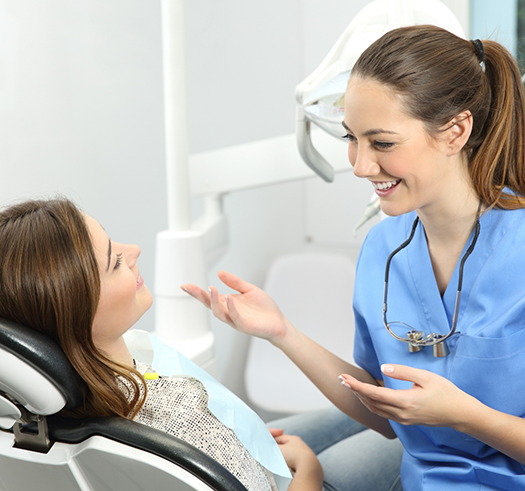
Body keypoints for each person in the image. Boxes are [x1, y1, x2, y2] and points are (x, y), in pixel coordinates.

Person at [182, 24, 525, 490]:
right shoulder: (384, 249)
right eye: (352, 138)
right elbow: (388, 414)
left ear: (455, 131)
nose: (361, 166)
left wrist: (467, 416)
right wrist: (282, 333)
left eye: (382, 143)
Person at [0, 198, 323, 491]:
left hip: (237, 448)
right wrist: (310, 469)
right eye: (115, 261)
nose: (134, 250)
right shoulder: (185, 416)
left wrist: (235, 441)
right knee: (370, 432)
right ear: (77, 314)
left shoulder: (32, 420)